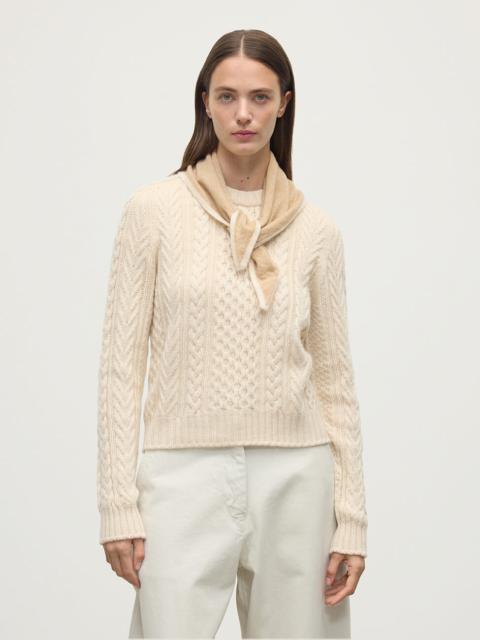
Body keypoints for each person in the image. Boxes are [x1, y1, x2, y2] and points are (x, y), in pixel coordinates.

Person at [96, 28, 368, 639]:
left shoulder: (317, 230)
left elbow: (336, 383)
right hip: (180, 473)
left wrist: (351, 517)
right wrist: (118, 504)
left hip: (297, 476)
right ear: (206, 103)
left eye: (260, 97)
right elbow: (120, 368)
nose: (243, 113)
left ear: (284, 104)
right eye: (227, 97)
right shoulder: (152, 212)